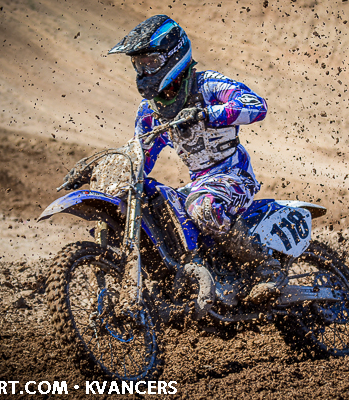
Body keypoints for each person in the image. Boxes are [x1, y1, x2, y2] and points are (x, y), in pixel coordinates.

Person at [108, 15, 285, 303]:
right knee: (155, 205)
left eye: (151, 62)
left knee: (203, 207)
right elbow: (141, 156)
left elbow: (257, 105)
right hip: (199, 183)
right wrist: (110, 172)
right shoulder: (150, 111)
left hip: (233, 176)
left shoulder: (207, 86)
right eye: (139, 64)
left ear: (174, 56)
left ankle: (266, 268)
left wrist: (207, 114)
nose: (144, 71)